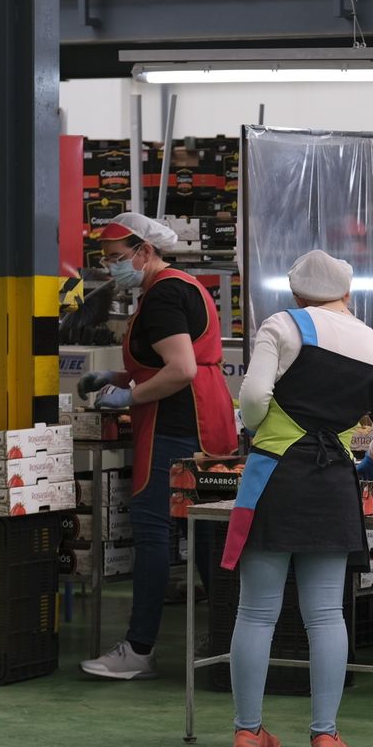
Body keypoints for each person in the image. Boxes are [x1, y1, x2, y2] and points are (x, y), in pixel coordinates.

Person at [222, 250, 373, 747]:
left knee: (257, 612)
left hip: (274, 476)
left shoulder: (283, 325)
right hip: (333, 481)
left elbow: (253, 395)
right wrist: (370, 462)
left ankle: (247, 735)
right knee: (325, 615)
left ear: (299, 294)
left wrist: (260, 428)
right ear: (347, 294)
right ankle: (325, 738)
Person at [77, 213, 238, 680]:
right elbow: (172, 360)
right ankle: (229, 638)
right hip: (208, 421)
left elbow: (181, 368)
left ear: (144, 252)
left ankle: (139, 648)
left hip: (176, 425)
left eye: (116, 259)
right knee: (207, 533)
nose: (111, 269)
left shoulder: (164, 293)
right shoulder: (183, 285)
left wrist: (129, 396)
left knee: (152, 532)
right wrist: (117, 376)